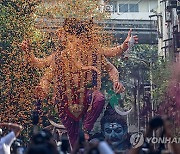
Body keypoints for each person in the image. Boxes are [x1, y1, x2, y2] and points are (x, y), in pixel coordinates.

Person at [21, 18, 138, 148]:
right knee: (74, 140)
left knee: (99, 98)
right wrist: (42, 87)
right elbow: (44, 72)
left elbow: (111, 66)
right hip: (65, 100)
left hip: (87, 96)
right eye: (72, 39)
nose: (77, 43)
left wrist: (116, 80)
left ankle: (86, 129)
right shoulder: (60, 56)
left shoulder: (93, 53)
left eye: (82, 38)